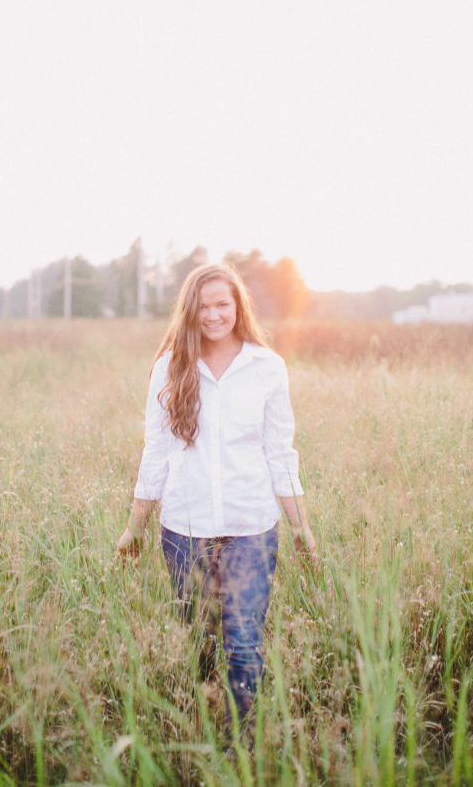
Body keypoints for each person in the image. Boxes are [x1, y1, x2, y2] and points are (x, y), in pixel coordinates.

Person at [115, 263, 317, 738]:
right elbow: (157, 451)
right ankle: (204, 737)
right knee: (201, 643)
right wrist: (134, 527)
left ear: (237, 306)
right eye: (203, 306)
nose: (212, 315)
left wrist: (301, 526)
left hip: (252, 526)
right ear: (190, 310)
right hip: (186, 529)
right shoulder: (169, 367)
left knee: (244, 642)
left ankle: (239, 746)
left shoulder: (267, 367)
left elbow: (279, 452)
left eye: (222, 304)